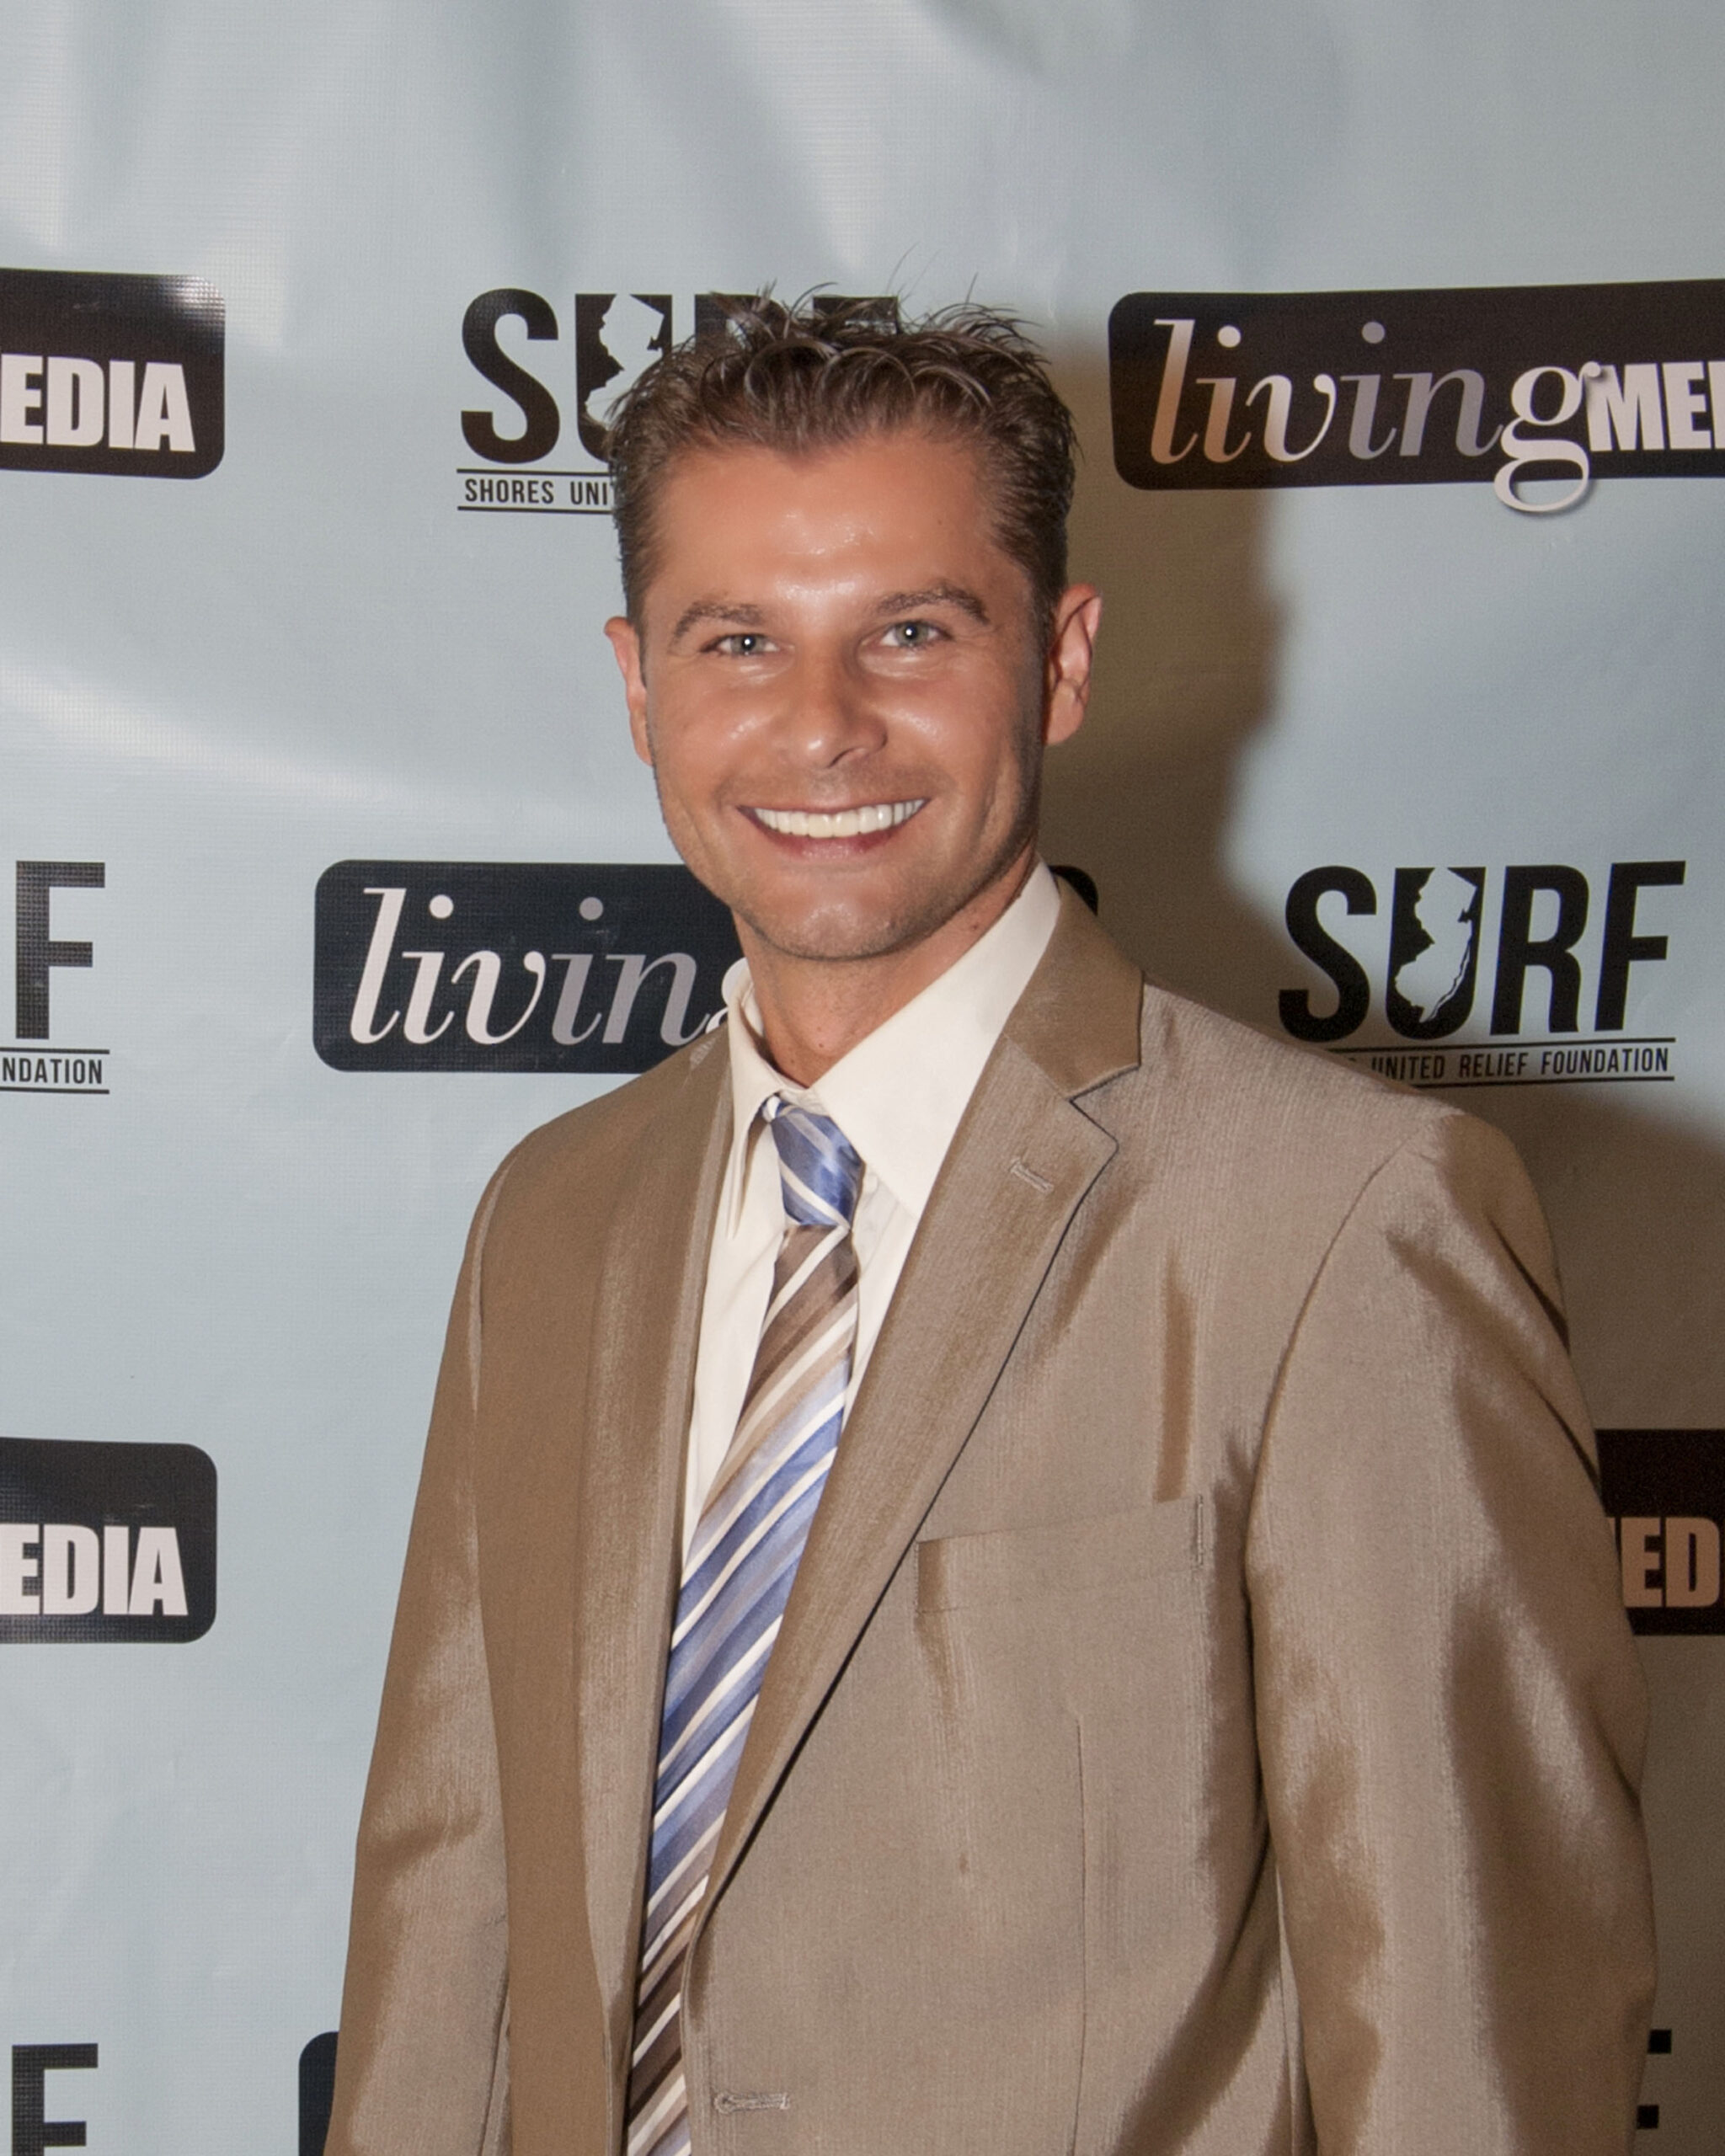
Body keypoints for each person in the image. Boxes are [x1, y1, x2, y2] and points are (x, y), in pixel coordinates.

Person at [326, 298, 1655, 2156]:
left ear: (1061, 658)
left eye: (912, 631)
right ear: (638, 684)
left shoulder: (1340, 1223)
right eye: (738, 641)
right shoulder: (553, 1218)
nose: (820, 726)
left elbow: (1473, 2038)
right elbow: (452, 1922)